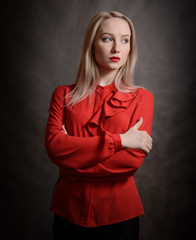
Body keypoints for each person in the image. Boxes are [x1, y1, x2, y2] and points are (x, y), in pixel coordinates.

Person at [45, 11, 154, 240]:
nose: (117, 48)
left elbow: (130, 163)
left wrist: (72, 161)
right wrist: (121, 140)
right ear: (92, 44)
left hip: (120, 217)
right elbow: (55, 148)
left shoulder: (142, 98)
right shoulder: (63, 95)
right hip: (69, 213)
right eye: (107, 39)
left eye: (125, 40)